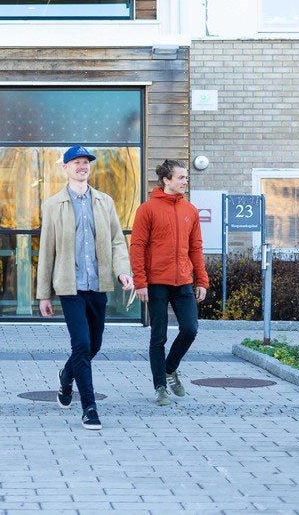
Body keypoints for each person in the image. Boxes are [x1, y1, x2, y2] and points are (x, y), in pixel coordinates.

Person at [36, 145, 133, 430]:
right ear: (65, 168)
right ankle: (89, 407)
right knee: (80, 345)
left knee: (94, 344)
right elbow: (46, 252)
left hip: (98, 284)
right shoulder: (53, 205)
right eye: (76, 162)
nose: (82, 166)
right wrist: (44, 294)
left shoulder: (105, 202)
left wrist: (123, 272)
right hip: (69, 287)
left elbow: (117, 241)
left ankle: (66, 376)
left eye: (85, 162)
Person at [130, 159, 209, 407]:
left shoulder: (190, 210)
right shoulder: (147, 209)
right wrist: (140, 281)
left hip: (183, 280)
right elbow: (138, 246)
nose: (186, 181)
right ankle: (160, 387)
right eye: (182, 177)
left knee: (190, 329)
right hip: (156, 282)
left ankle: (170, 369)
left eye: (186, 177)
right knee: (158, 336)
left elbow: (196, 247)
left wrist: (202, 280)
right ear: (166, 180)